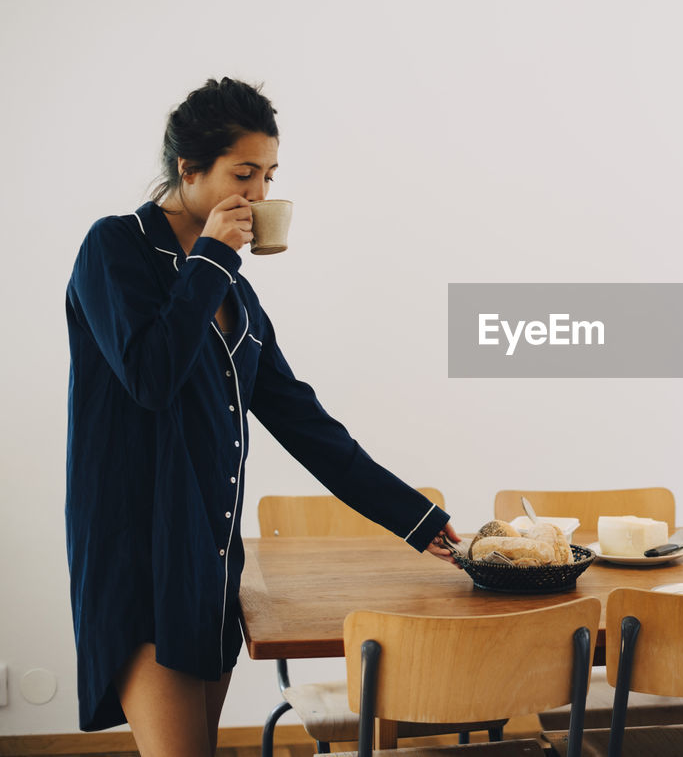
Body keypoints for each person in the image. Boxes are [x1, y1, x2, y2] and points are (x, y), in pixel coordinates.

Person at [64, 77, 460, 756]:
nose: (259, 195)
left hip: (213, 562)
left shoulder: (236, 297)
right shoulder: (115, 249)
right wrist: (215, 255)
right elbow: (150, 376)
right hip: (140, 556)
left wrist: (419, 520)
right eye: (243, 175)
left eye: (269, 176)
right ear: (189, 170)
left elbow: (306, 425)